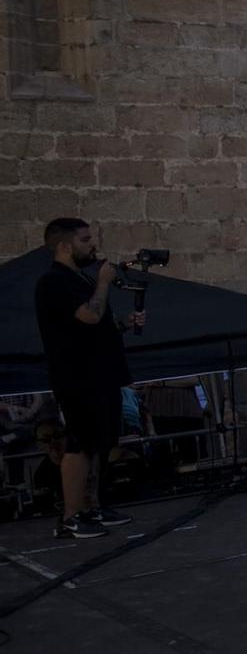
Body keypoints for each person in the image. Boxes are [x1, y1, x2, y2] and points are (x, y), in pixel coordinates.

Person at [33, 220, 140, 539]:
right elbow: (88, 315)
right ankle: (70, 516)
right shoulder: (54, 281)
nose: (91, 245)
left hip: (101, 373)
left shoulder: (78, 279)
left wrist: (122, 323)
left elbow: (93, 327)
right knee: (80, 445)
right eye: (84, 240)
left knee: (98, 443)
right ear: (64, 246)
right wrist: (104, 282)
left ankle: (92, 506)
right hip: (77, 377)